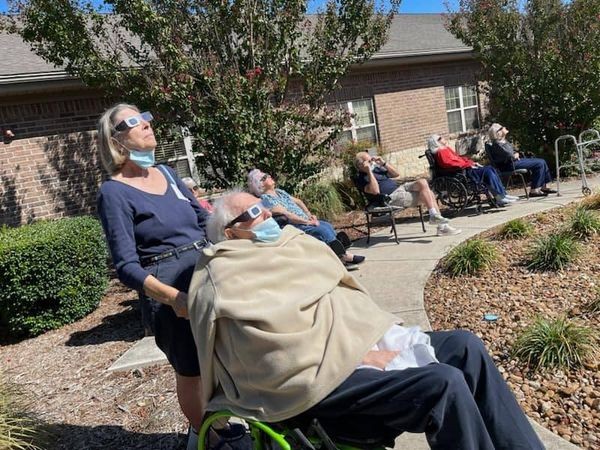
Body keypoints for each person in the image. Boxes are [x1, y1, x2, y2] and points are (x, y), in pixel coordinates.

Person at [187, 191, 544, 450]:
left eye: (263, 206)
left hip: (355, 346)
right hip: (312, 380)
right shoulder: (224, 274)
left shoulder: (294, 243)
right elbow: (265, 349)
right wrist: (354, 358)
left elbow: (347, 297)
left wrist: (370, 339)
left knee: (465, 346)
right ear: (230, 232)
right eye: (251, 212)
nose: (264, 216)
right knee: (443, 383)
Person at [96, 103, 217, 450]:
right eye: (133, 121)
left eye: (146, 116)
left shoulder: (167, 173)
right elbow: (127, 266)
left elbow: (202, 219)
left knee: (224, 358)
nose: (147, 124)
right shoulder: (113, 193)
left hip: (205, 270)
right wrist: (174, 298)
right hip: (167, 287)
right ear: (116, 140)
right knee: (192, 370)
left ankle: (223, 423)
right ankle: (204, 436)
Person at [247, 168, 365, 267]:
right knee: (322, 230)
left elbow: (298, 201)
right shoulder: (266, 200)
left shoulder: (279, 192)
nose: (269, 177)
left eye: (267, 175)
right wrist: (308, 222)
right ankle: (344, 256)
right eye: (264, 177)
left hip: (305, 220)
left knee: (327, 225)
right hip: (295, 225)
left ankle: (339, 253)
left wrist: (309, 215)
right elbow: (287, 214)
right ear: (260, 185)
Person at [354, 152, 461, 236]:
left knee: (423, 182)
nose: (372, 162)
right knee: (429, 194)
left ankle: (435, 218)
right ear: (361, 165)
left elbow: (396, 174)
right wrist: (368, 171)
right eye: (369, 161)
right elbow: (375, 191)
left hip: (401, 188)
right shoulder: (361, 178)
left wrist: (384, 163)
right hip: (391, 198)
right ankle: (442, 226)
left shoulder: (376, 169)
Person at [427, 134, 519, 206]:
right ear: (436, 142)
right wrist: (467, 164)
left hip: (466, 168)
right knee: (488, 171)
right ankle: (499, 196)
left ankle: (502, 194)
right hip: (463, 172)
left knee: (490, 169)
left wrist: (471, 162)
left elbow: (459, 159)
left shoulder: (445, 149)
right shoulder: (440, 152)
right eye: (440, 138)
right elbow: (448, 164)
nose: (443, 138)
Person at [488, 123, 557, 197]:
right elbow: (510, 155)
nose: (504, 127)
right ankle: (534, 190)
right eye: (502, 127)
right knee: (539, 163)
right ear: (498, 132)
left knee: (542, 161)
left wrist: (516, 154)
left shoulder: (502, 141)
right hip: (509, 165)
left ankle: (543, 187)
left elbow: (513, 151)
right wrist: (515, 155)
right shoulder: (498, 144)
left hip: (513, 162)